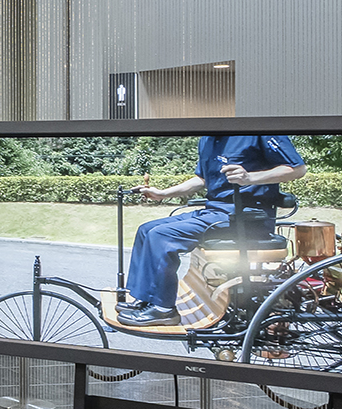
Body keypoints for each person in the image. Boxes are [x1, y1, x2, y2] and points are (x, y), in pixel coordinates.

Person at [118, 135, 307, 325]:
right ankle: (147, 298)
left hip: (248, 217)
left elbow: (297, 169)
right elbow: (202, 179)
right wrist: (163, 194)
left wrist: (250, 178)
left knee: (161, 236)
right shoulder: (208, 138)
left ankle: (163, 310)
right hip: (215, 211)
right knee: (146, 229)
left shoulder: (256, 131)